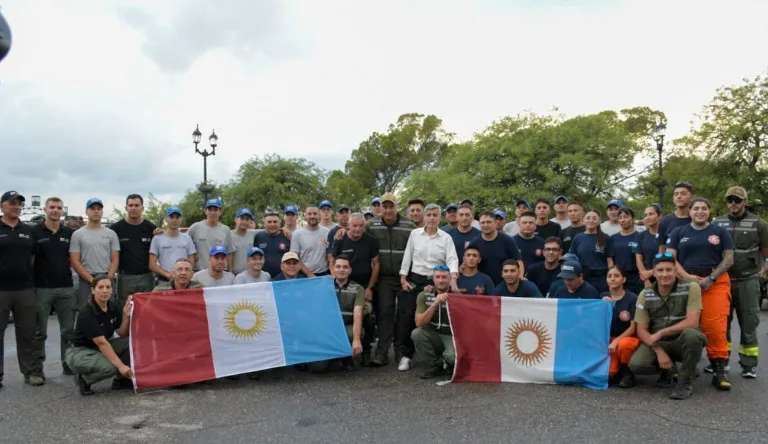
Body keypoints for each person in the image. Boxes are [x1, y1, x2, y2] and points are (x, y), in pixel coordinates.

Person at [666, 197, 734, 391]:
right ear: (690, 212)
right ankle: (683, 366)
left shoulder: (719, 231)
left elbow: (729, 259)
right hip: (686, 282)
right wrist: (686, 276)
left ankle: (719, 370)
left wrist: (711, 279)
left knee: (715, 327)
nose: (700, 211)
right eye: (696, 208)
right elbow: (670, 257)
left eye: (704, 208)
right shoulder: (678, 232)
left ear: (709, 211)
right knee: (681, 323)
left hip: (715, 283)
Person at [628, 253, 707, 400]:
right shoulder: (645, 294)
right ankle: (668, 370)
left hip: (681, 340)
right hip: (658, 343)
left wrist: (662, 332)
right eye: (660, 270)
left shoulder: (691, 287)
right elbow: (641, 330)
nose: (665, 274)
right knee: (637, 365)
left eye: (669, 270)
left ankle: (685, 381)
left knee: (692, 335)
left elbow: (692, 322)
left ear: (676, 271)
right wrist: (658, 351)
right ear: (654, 272)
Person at [713, 186, 768, 378]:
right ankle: (721, 360)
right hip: (723, 281)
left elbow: (765, 248)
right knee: (721, 323)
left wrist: (762, 268)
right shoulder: (717, 223)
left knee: (749, 322)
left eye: (737, 200)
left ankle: (749, 364)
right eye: (730, 200)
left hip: (748, 280)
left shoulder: (759, 223)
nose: (733, 204)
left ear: (745, 202)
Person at [398, 203, 459, 372]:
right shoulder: (415, 234)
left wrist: (453, 279)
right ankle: (407, 356)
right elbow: (407, 256)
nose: (432, 218)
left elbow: (452, 259)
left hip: (437, 281)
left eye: (435, 215)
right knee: (410, 316)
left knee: (437, 316)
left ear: (440, 217)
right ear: (424, 217)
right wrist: (403, 277)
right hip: (416, 280)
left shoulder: (446, 237)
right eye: (429, 215)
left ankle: (442, 355)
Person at [0, 191, 44, 387]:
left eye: (19, 204)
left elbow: (32, 258)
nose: (17, 206)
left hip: (25, 290)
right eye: (12, 203)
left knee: (27, 333)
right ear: (2, 206)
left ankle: (31, 372)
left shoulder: (28, 230)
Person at [366, 192, 415, 367]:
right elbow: (358, 236)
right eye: (384, 206)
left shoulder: (409, 225)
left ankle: (400, 352)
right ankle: (382, 352)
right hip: (384, 277)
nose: (387, 210)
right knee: (385, 313)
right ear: (380, 207)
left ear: (397, 206)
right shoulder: (371, 224)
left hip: (405, 277)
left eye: (391, 206)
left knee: (404, 315)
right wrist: (342, 232)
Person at [66, 275, 133, 396]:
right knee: (112, 367)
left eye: (108, 287)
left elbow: (121, 333)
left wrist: (125, 316)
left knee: (129, 343)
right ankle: (84, 379)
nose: (105, 291)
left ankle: (120, 381)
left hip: (100, 347)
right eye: (100, 287)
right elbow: (102, 343)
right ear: (93, 290)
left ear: (112, 290)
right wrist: (121, 366)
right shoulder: (87, 312)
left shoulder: (113, 306)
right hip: (81, 351)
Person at [31, 197, 76, 376]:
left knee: (68, 330)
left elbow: (73, 258)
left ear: (62, 210)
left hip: (66, 287)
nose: (55, 210)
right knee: (39, 331)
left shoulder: (69, 233)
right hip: (42, 288)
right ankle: (36, 368)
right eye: (52, 207)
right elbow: (30, 260)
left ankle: (68, 364)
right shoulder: (34, 232)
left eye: (58, 207)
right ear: (45, 209)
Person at [331, 213, 380, 365]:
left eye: (361, 226)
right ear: (348, 226)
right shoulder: (340, 238)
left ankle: (365, 350)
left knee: (367, 315)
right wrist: (335, 280)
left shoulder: (371, 241)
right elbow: (332, 260)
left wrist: (370, 287)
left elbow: (376, 263)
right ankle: (342, 353)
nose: (358, 229)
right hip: (342, 284)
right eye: (354, 226)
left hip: (364, 286)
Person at [309, 255, 363, 373]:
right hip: (327, 330)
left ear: (350, 270)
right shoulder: (323, 286)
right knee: (317, 368)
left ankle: (345, 356)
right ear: (333, 268)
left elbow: (358, 314)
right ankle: (332, 356)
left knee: (352, 335)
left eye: (345, 267)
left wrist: (357, 339)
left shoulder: (358, 289)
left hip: (347, 327)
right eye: (338, 266)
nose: (341, 269)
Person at [69, 198, 120, 306]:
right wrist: (93, 281)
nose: (96, 211)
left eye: (99, 208)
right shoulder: (78, 234)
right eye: (92, 209)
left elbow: (115, 259)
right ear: (86, 211)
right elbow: (74, 261)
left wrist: (108, 279)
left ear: (102, 211)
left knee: (110, 313)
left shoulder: (111, 234)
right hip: (87, 280)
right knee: (86, 313)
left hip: (107, 277)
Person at [110, 194, 157, 306]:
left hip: (146, 277)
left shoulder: (151, 228)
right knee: (125, 310)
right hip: (125, 277)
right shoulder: (115, 229)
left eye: (137, 205)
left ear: (142, 208)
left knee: (147, 309)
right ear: (126, 208)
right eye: (130, 205)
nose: (133, 208)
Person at [412, 266, 455, 379]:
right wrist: (435, 304)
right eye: (438, 277)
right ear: (433, 279)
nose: (441, 280)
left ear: (450, 278)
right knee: (416, 333)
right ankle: (436, 363)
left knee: (451, 357)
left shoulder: (458, 296)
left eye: (444, 277)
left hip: (450, 335)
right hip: (433, 334)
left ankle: (450, 362)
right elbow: (419, 323)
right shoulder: (424, 295)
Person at [600, 266, 640, 388]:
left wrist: (616, 341)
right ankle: (614, 370)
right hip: (608, 338)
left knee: (624, 345)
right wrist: (601, 305)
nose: (612, 279)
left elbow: (633, 328)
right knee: (608, 374)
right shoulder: (602, 296)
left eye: (616, 276)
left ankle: (627, 372)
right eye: (609, 276)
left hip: (627, 337)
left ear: (624, 279)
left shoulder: (632, 298)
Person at [468, 211, 523, 285]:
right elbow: (467, 262)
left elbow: (518, 261)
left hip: (505, 285)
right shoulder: (474, 242)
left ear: (495, 223)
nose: (486, 225)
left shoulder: (508, 240)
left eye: (489, 222)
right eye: (483, 222)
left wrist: (520, 278)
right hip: (481, 286)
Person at [569, 208, 614, 293]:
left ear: (599, 221)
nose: (591, 220)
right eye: (588, 218)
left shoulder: (605, 238)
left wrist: (610, 278)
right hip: (583, 278)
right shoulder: (578, 238)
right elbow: (573, 258)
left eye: (594, 218)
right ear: (583, 220)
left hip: (601, 279)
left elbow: (609, 260)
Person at [148, 207, 196, 283]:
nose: (174, 220)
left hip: (183, 281)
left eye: (177, 217)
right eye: (171, 217)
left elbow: (191, 260)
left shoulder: (187, 238)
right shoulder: (157, 238)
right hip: (164, 281)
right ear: (166, 219)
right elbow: (152, 264)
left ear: (181, 219)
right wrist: (167, 274)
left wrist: (185, 272)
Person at [187, 198, 235, 271]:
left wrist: (230, 271)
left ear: (220, 212)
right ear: (205, 211)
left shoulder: (226, 230)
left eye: (215, 209)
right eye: (210, 209)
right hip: (200, 272)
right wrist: (193, 254)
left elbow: (229, 253)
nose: (212, 212)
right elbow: (184, 244)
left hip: (220, 272)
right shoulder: (195, 227)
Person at [290, 205, 330, 276]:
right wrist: (308, 273)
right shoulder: (297, 234)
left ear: (319, 215)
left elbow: (330, 255)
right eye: (309, 214)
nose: (312, 216)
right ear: (305, 217)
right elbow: (294, 258)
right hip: (304, 275)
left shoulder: (327, 232)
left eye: (315, 213)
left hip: (324, 273)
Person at [610, 207, 641, 294]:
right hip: (618, 278)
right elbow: (610, 260)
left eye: (626, 217)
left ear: (632, 219)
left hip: (635, 278)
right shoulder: (613, 238)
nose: (623, 220)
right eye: (620, 217)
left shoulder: (640, 237)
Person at [658, 181, 695, 252]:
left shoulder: (697, 219)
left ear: (692, 197)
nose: (679, 196)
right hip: (671, 261)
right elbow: (661, 247)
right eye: (676, 194)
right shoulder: (665, 220)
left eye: (683, 194)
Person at [254, 211, 291, 279]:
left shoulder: (287, 236)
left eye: (275, 221)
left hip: (283, 277)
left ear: (279, 224)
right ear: (264, 224)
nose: (272, 224)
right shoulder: (258, 236)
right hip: (263, 278)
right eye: (269, 222)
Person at [634, 204, 662, 289]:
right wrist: (646, 279)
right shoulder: (640, 236)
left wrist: (652, 272)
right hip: (645, 278)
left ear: (659, 216)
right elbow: (638, 259)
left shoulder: (667, 235)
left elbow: (666, 258)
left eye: (651, 214)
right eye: (645, 215)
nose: (647, 217)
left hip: (663, 277)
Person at [231, 208, 258, 275]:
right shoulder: (228, 235)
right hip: (235, 275)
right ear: (236, 219)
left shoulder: (253, 233)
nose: (244, 221)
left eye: (247, 219)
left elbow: (269, 230)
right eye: (242, 218)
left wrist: (282, 229)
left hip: (251, 274)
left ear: (250, 221)